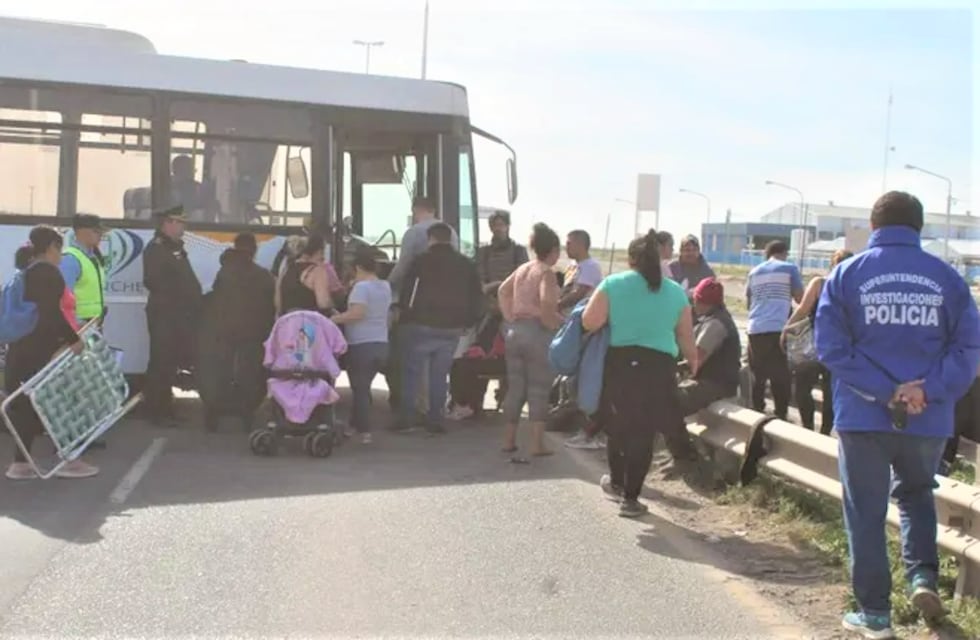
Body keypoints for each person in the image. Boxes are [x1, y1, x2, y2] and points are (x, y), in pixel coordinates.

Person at [815, 191, 980, 638]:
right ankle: (923, 578)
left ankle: (874, 615)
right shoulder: (948, 278)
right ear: (919, 228)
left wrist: (889, 391)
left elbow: (831, 348)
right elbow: (968, 350)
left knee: (865, 512)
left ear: (874, 227)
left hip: (863, 417)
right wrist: (925, 390)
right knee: (916, 496)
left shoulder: (846, 274)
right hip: (927, 418)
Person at [581, 229, 696, 518]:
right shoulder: (675, 292)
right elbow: (686, 338)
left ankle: (617, 482)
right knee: (644, 432)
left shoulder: (613, 283)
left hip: (621, 364)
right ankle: (631, 499)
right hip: (660, 367)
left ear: (631, 259)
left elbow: (590, 322)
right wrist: (693, 363)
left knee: (618, 426)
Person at [5, 227, 93, 480]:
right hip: (40, 351)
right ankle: (69, 459)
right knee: (61, 401)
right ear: (53, 246)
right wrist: (73, 340)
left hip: (22, 348)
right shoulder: (47, 273)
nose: (61, 256)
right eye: (60, 250)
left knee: (27, 406)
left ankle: (20, 465)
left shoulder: (28, 271)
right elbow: (51, 314)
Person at [393, 222, 482, 435]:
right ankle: (436, 420)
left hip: (420, 325)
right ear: (450, 239)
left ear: (430, 239)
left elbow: (408, 293)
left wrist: (404, 314)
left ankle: (407, 419)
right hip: (452, 328)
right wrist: (468, 323)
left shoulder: (420, 262)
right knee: (440, 375)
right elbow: (476, 297)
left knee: (412, 373)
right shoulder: (466, 264)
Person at [661, 277, 741, 476]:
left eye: (695, 299)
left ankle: (685, 458)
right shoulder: (711, 319)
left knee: (666, 404)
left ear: (703, 302)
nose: (693, 303)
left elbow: (695, 362)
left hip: (716, 384)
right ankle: (681, 455)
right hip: (710, 381)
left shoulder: (716, 325)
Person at [386, 197, 458, 415]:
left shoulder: (414, 233)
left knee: (412, 363)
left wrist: (384, 286)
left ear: (416, 210)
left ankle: (413, 410)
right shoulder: (451, 232)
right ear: (434, 210)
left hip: (420, 309)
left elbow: (403, 267)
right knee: (438, 369)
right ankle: (434, 412)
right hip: (447, 311)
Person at [197, 232, 276, 432]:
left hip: (223, 331)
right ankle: (247, 414)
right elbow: (270, 304)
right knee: (248, 373)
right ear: (254, 250)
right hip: (252, 333)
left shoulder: (224, 271)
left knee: (220, 371)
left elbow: (216, 298)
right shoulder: (262, 274)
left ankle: (213, 414)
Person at [497, 223, 563, 457]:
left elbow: (503, 291)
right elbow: (546, 301)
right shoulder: (546, 272)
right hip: (536, 332)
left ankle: (508, 440)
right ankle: (537, 445)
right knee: (538, 389)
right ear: (553, 249)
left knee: (515, 388)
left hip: (515, 332)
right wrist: (551, 322)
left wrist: (510, 317)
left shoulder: (524, 268)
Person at [142, 206, 203, 427]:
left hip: (177, 315)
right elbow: (154, 281)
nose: (183, 227)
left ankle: (166, 407)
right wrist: (180, 298)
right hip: (165, 314)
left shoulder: (174, 247)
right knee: (161, 361)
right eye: (180, 223)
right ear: (168, 223)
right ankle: (157, 412)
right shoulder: (157, 249)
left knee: (169, 363)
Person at [781, 249, 854, 434]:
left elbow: (802, 310)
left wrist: (786, 330)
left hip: (812, 345)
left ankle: (807, 427)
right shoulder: (854, 288)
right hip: (838, 347)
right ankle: (825, 431)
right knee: (830, 392)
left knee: (803, 387)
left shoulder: (819, 283)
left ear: (832, 265)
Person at [331, 250, 392, 444]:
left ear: (357, 268)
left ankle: (365, 430)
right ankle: (355, 425)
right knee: (363, 387)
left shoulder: (361, 288)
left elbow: (357, 313)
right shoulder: (385, 286)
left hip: (361, 344)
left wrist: (333, 318)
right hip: (381, 343)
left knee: (360, 388)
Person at [745, 240, 804, 420]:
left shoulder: (753, 272)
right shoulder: (789, 268)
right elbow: (800, 298)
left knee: (758, 374)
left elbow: (749, 303)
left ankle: (757, 411)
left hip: (755, 329)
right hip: (779, 328)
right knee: (780, 375)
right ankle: (780, 414)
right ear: (784, 253)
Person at [60, 214, 107, 326]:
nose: (101, 235)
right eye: (96, 231)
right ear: (82, 232)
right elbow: (62, 298)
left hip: (91, 325)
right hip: (79, 326)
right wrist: (75, 325)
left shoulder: (93, 258)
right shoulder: (71, 259)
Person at [276, 234, 335, 316]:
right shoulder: (317, 271)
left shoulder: (286, 269)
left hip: (288, 323)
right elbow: (323, 303)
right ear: (319, 252)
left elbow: (278, 303)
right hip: (309, 324)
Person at [476, 210, 528, 294]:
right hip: (490, 300)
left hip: (512, 299)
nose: (497, 228)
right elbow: (480, 278)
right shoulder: (483, 252)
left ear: (507, 226)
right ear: (491, 228)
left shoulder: (519, 251)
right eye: (494, 225)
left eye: (500, 225)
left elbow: (523, 278)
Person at [559, 229, 603, 311]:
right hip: (565, 314)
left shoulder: (590, 266)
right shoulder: (573, 264)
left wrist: (557, 306)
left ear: (580, 245)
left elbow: (578, 294)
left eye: (569, 244)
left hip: (579, 317)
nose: (566, 248)